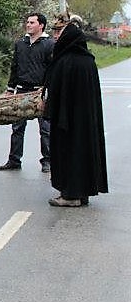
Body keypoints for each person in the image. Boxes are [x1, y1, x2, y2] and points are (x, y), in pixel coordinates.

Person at [42, 16, 108, 207]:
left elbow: (57, 92)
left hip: (67, 122)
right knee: (84, 153)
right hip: (86, 123)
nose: (57, 37)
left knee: (69, 154)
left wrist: (47, 107)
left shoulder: (65, 61)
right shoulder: (88, 61)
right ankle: (82, 192)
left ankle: (70, 195)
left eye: (59, 33)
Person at [0, 12, 54, 173]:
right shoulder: (21, 43)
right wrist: (10, 88)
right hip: (21, 90)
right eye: (27, 22)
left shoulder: (49, 44)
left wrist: (47, 88)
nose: (28, 25)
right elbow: (14, 67)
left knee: (45, 128)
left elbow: (52, 69)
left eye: (32, 22)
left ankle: (47, 161)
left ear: (41, 25)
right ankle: (14, 160)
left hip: (40, 91)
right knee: (17, 127)